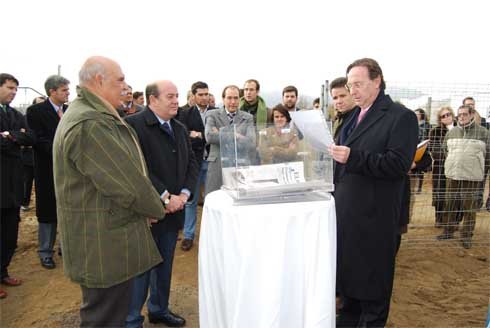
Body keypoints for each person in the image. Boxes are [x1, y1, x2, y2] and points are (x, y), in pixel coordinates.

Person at [52, 56, 166, 327]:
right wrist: (156, 208)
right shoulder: (91, 122)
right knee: (105, 318)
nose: (126, 86)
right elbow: (127, 184)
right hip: (103, 244)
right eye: (120, 80)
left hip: (104, 237)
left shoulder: (91, 114)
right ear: (99, 81)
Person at [328, 58, 418, 327]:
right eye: (350, 85)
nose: (353, 90)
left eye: (358, 84)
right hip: (348, 214)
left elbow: (398, 164)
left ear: (377, 81)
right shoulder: (353, 116)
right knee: (350, 287)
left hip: (375, 218)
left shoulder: (401, 117)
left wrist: (353, 157)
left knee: (373, 291)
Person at [125, 80, 198, 328]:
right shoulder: (133, 126)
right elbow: (137, 168)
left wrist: (185, 195)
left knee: (164, 265)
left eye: (177, 95)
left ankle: (158, 309)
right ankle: (132, 319)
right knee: (141, 268)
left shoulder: (179, 127)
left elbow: (191, 163)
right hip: (147, 213)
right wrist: (165, 196)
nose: (176, 100)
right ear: (152, 100)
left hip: (174, 210)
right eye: (170, 96)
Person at [26, 75, 70, 270]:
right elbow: (37, 139)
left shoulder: (69, 111)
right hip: (48, 170)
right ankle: (45, 252)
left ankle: (65, 248)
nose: (68, 93)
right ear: (52, 91)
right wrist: (63, 150)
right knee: (48, 213)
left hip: (70, 172)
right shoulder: (36, 111)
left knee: (68, 210)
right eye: (64, 90)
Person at [0, 73, 34, 299]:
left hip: (13, 183)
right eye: (10, 88)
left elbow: (29, 137)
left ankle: (3, 271)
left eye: (15, 88)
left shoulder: (14, 114)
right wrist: (16, 138)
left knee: (10, 232)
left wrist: (11, 137)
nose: (13, 92)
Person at [437, 105, 490, 249]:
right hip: (452, 175)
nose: (461, 117)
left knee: (469, 208)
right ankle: (448, 231)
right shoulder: (452, 132)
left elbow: (488, 156)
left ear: (472, 115)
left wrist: (479, 169)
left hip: (471, 177)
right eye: (459, 114)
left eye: (465, 114)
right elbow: (445, 150)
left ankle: (466, 236)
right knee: (449, 204)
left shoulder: (484, 133)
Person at [177, 81, 214, 251]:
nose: (205, 97)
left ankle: (211, 235)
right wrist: (209, 136)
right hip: (194, 163)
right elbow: (185, 137)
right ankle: (188, 235)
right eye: (201, 94)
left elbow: (223, 136)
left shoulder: (217, 113)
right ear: (193, 96)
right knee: (190, 200)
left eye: (207, 94)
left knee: (212, 199)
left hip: (213, 161)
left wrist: (201, 136)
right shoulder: (184, 114)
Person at [204, 85, 254, 196]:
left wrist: (220, 132)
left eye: (236, 98)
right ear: (223, 99)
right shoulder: (212, 114)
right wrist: (235, 135)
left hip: (239, 165)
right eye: (229, 98)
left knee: (241, 201)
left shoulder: (248, 117)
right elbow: (209, 136)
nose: (233, 102)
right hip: (217, 166)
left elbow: (250, 143)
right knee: (214, 199)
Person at [428, 106, 456, 227]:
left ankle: (454, 220)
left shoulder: (461, 129)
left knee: (456, 194)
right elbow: (434, 151)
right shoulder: (435, 131)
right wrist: (451, 156)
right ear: (440, 119)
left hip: (457, 168)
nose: (446, 117)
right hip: (441, 168)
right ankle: (439, 218)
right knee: (440, 192)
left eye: (448, 114)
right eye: (443, 116)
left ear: (452, 115)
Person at [330, 77, 356, 142]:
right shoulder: (338, 120)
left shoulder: (361, 118)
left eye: (343, 96)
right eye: (335, 98)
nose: (339, 101)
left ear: (353, 94)